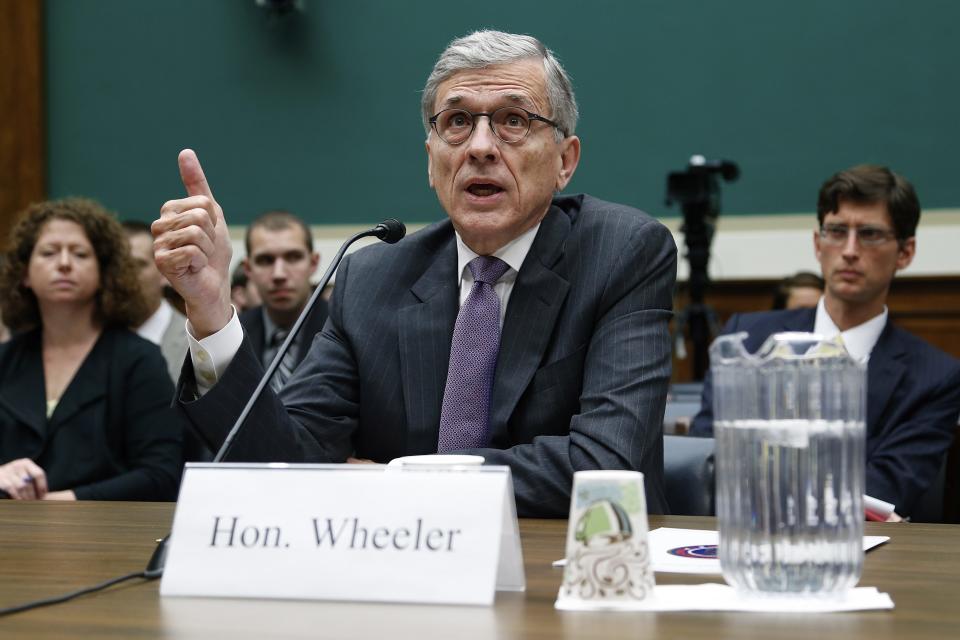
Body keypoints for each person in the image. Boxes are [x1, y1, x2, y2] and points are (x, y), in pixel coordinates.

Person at [152, 30, 677, 517]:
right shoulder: (373, 277)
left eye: (514, 120)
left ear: (565, 160)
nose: (480, 147)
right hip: (405, 583)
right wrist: (212, 309)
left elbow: (607, 464)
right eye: (457, 122)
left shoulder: (621, 253)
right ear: (432, 160)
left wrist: (407, 478)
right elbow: (287, 460)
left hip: (578, 572)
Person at [690, 165, 960, 519]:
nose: (849, 250)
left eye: (870, 234)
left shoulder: (935, 376)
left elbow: (884, 489)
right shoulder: (749, 338)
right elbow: (707, 458)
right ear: (818, 244)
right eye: (836, 231)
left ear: (905, 252)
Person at [0, 198, 182, 500]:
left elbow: (161, 474)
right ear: (24, 274)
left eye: (80, 253)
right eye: (48, 252)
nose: (64, 263)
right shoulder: (5, 360)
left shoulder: (139, 360)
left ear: (104, 273)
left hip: (104, 536)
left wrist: (67, 500)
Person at [238, 210, 327, 390]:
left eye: (293, 257)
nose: (279, 274)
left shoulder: (343, 329)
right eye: (265, 260)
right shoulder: (234, 335)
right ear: (248, 269)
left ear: (313, 263)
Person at [123, 220, 189, 382]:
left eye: (136, 265)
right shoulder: (92, 340)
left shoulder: (194, 345)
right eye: (116, 266)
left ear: (164, 272)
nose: (123, 276)